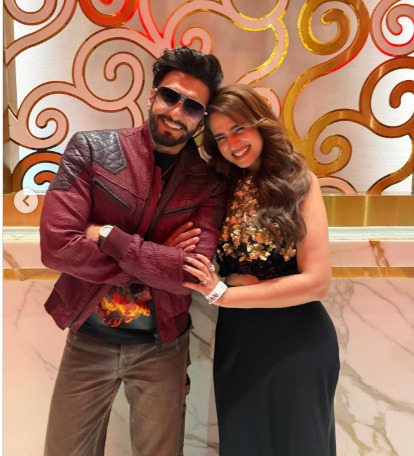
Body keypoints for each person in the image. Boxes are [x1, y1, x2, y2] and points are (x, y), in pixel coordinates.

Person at [39, 46, 227, 456]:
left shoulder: (209, 182)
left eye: (192, 106)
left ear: (202, 118)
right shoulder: (91, 150)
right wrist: (159, 257)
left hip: (163, 347)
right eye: (170, 96)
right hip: (88, 338)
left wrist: (109, 236)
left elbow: (190, 274)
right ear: (152, 94)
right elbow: (57, 246)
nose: (176, 112)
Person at [183, 84, 340, 456]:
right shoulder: (219, 188)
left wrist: (225, 294)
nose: (232, 144)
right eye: (221, 137)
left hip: (298, 341)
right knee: (243, 444)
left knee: (302, 446)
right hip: (239, 342)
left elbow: (317, 283)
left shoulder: (299, 183)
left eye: (239, 129)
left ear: (260, 123)